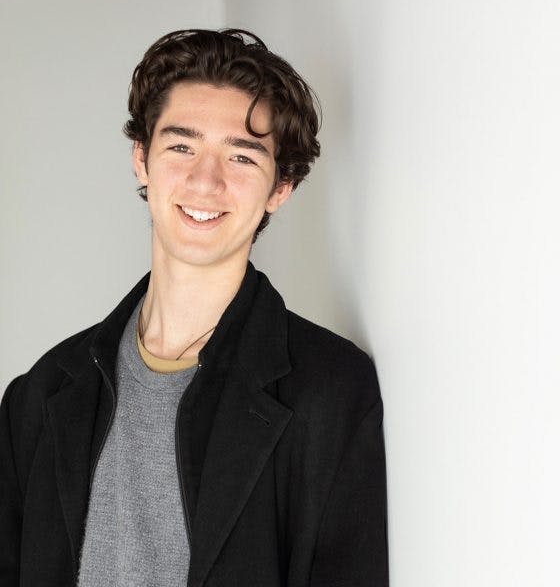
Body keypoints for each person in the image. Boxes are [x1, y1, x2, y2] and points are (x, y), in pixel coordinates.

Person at [0, 29, 388, 586]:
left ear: (282, 186)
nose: (205, 182)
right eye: (181, 146)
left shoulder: (330, 393)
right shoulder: (38, 397)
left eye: (241, 156)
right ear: (142, 160)